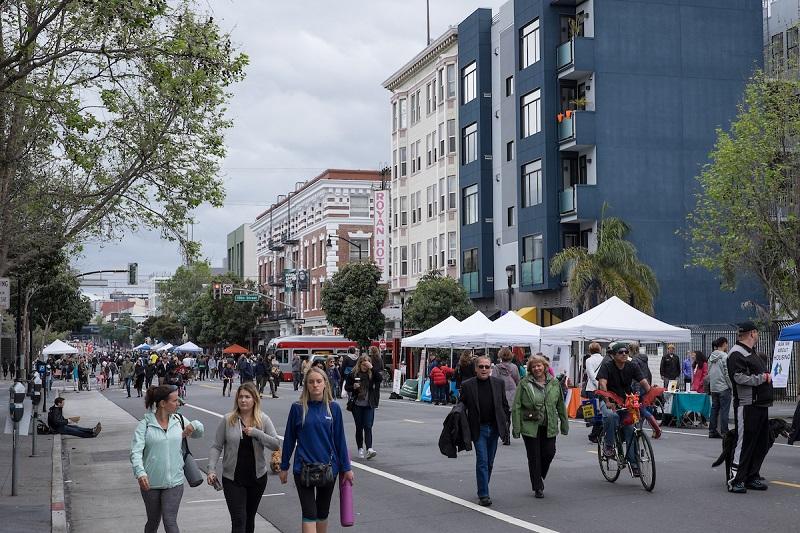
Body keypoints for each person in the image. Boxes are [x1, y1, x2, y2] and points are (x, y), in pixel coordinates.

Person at [279, 367, 353, 532]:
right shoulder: (298, 408)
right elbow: (289, 439)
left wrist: (346, 469)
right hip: (303, 468)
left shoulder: (333, 408)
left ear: (325, 383)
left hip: (328, 468)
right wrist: (284, 467)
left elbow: (340, 440)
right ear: (306, 385)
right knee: (309, 513)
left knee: (322, 512)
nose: (315, 385)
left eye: (319, 381)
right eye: (311, 382)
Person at [208, 382, 281, 533]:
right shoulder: (228, 419)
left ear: (254, 399)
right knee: (239, 520)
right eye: (240, 397)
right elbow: (216, 446)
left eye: (247, 397)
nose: (243, 400)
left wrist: (257, 433)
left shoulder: (263, 419)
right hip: (233, 479)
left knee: (249, 519)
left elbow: (275, 444)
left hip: (257, 478)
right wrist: (211, 469)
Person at [130, 385, 204, 533]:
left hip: (174, 482)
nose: (178, 404)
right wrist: (140, 473)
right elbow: (135, 452)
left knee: (170, 521)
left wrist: (195, 425)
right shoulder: (145, 425)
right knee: (152, 521)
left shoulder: (179, 420)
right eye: (175, 400)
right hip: (151, 484)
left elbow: (198, 433)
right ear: (163, 403)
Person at [511, 354, 568, 498]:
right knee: (534, 456)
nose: (537, 368)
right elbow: (517, 406)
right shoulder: (524, 383)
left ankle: (539, 476)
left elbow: (561, 405)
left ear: (545, 367)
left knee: (549, 452)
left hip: (549, 424)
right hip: (530, 424)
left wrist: (564, 425)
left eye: (539, 365)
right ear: (530, 368)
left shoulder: (554, 383)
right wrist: (516, 428)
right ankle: (537, 486)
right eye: (534, 366)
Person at [727, 321, 773, 493]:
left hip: (761, 404)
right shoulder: (736, 353)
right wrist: (762, 378)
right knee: (744, 442)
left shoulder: (751, 353)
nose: (757, 335)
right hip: (747, 405)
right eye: (757, 333)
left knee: (760, 442)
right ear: (753, 333)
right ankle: (735, 480)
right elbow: (738, 377)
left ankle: (752, 476)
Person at [458, 356, 510, 507]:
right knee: (482, 460)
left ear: (491, 369)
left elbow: (504, 405)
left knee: (489, 462)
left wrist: (505, 421)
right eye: (481, 367)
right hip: (478, 428)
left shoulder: (498, 383)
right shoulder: (468, 385)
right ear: (475, 369)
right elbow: (462, 404)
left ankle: (483, 485)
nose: (484, 369)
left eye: (487, 367)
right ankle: (484, 494)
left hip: (494, 428)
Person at [597, 342, 651, 477]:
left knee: (630, 430)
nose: (624, 354)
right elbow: (602, 383)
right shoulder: (607, 366)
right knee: (611, 416)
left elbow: (643, 381)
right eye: (620, 352)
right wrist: (607, 401)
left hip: (626, 401)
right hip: (609, 400)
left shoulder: (632, 365)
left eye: (626, 352)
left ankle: (634, 464)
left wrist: (650, 394)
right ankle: (608, 446)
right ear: (613, 355)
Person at [344, 354, 383, 459]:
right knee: (359, 427)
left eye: (367, 362)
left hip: (369, 404)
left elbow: (380, 378)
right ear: (360, 363)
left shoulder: (371, 374)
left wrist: (372, 367)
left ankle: (369, 448)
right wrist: (353, 387)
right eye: (364, 363)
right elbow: (346, 387)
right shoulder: (353, 374)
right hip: (357, 404)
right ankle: (360, 448)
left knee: (368, 426)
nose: (365, 365)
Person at [707, 337, 731, 438]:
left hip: (714, 387)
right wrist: (731, 385)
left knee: (714, 409)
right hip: (724, 387)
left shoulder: (711, 357)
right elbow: (727, 373)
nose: (727, 346)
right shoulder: (725, 356)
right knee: (724, 410)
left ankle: (712, 431)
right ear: (724, 344)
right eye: (727, 344)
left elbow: (709, 372)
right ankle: (725, 431)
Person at [584, 342, 605, 443]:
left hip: (593, 388)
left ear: (590, 350)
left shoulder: (588, 360)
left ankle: (594, 434)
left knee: (595, 412)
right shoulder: (604, 359)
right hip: (603, 388)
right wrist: (602, 386)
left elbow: (592, 375)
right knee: (601, 411)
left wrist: (597, 386)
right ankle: (597, 433)